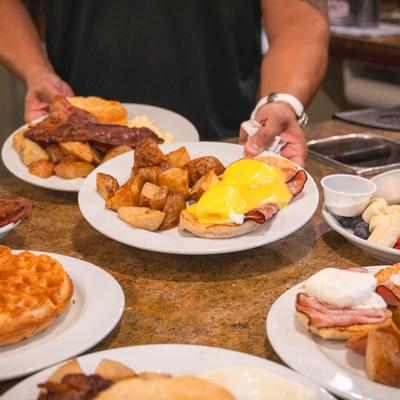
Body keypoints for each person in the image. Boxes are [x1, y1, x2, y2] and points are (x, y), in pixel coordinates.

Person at [0, 0, 329, 166]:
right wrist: (36, 70)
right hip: (77, 156)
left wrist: (283, 100)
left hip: (224, 153)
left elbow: (298, 20)